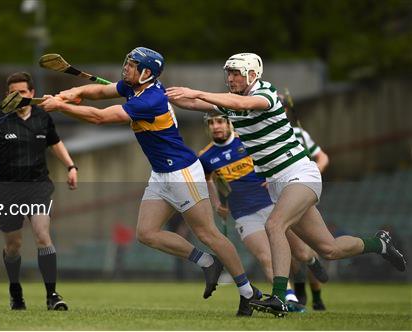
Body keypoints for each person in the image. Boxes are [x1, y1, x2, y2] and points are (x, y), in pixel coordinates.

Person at [166, 53, 406, 317]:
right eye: (229, 73)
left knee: (274, 225)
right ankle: (379, 243)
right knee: (330, 248)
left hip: (301, 174)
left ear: (252, 74)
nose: (231, 78)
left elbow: (232, 101)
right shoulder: (231, 103)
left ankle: (279, 297)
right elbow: (191, 102)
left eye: (236, 73)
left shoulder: (265, 93)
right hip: (280, 184)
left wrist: (196, 91)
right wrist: (158, 96)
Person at [39, 47, 261, 316]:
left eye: (132, 65)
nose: (126, 68)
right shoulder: (135, 88)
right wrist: (77, 93)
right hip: (160, 174)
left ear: (146, 73)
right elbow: (100, 91)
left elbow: (99, 117)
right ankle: (206, 262)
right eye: (127, 63)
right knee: (147, 233)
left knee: (207, 234)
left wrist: (60, 106)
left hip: (182, 173)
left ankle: (249, 292)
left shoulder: (150, 100)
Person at [198, 111, 328, 313]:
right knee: (266, 257)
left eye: (221, 121)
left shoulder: (248, 141)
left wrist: (273, 176)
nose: (216, 126)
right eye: (212, 122)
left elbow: (272, 159)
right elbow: (207, 180)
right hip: (244, 214)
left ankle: (311, 260)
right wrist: (217, 204)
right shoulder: (206, 156)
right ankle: (289, 299)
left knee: (302, 253)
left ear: (230, 124)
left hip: (273, 205)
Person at [0, 72, 78, 311]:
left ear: (31, 94)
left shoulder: (42, 117)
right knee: (14, 246)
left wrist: (71, 166)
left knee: (42, 236)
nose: (16, 96)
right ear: (6, 96)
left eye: (21, 92)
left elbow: (55, 142)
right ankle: (15, 291)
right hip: (7, 190)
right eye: (12, 93)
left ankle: (52, 295)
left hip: (38, 186)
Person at [280, 92, 329, 310]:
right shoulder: (260, 135)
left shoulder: (299, 133)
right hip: (278, 194)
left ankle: (316, 295)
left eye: (283, 108)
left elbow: (323, 157)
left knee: (308, 249)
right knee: (292, 249)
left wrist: (308, 175)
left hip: (301, 192)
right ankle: (298, 289)